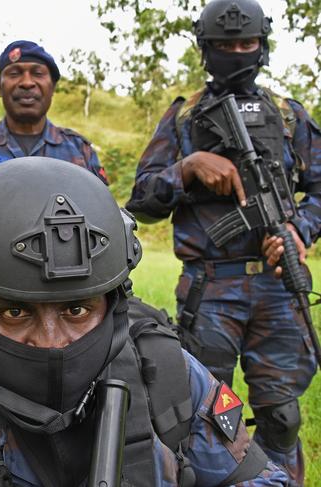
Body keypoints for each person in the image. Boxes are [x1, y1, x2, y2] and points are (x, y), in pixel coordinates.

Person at [0, 157, 287, 487]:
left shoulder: (170, 381)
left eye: (77, 311)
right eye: (15, 312)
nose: (52, 342)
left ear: (114, 307)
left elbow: (258, 479)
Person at [125, 1, 321, 484]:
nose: (236, 53)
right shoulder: (183, 119)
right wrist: (187, 169)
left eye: (246, 44)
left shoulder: (289, 117)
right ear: (206, 50)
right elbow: (142, 199)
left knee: (282, 417)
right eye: (223, 46)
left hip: (277, 289)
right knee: (203, 416)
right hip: (209, 291)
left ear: (262, 46)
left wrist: (299, 230)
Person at [0, 40, 107, 219]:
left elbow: (103, 216)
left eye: (38, 73)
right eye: (15, 74)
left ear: (53, 86)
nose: (27, 83)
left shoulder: (80, 151)